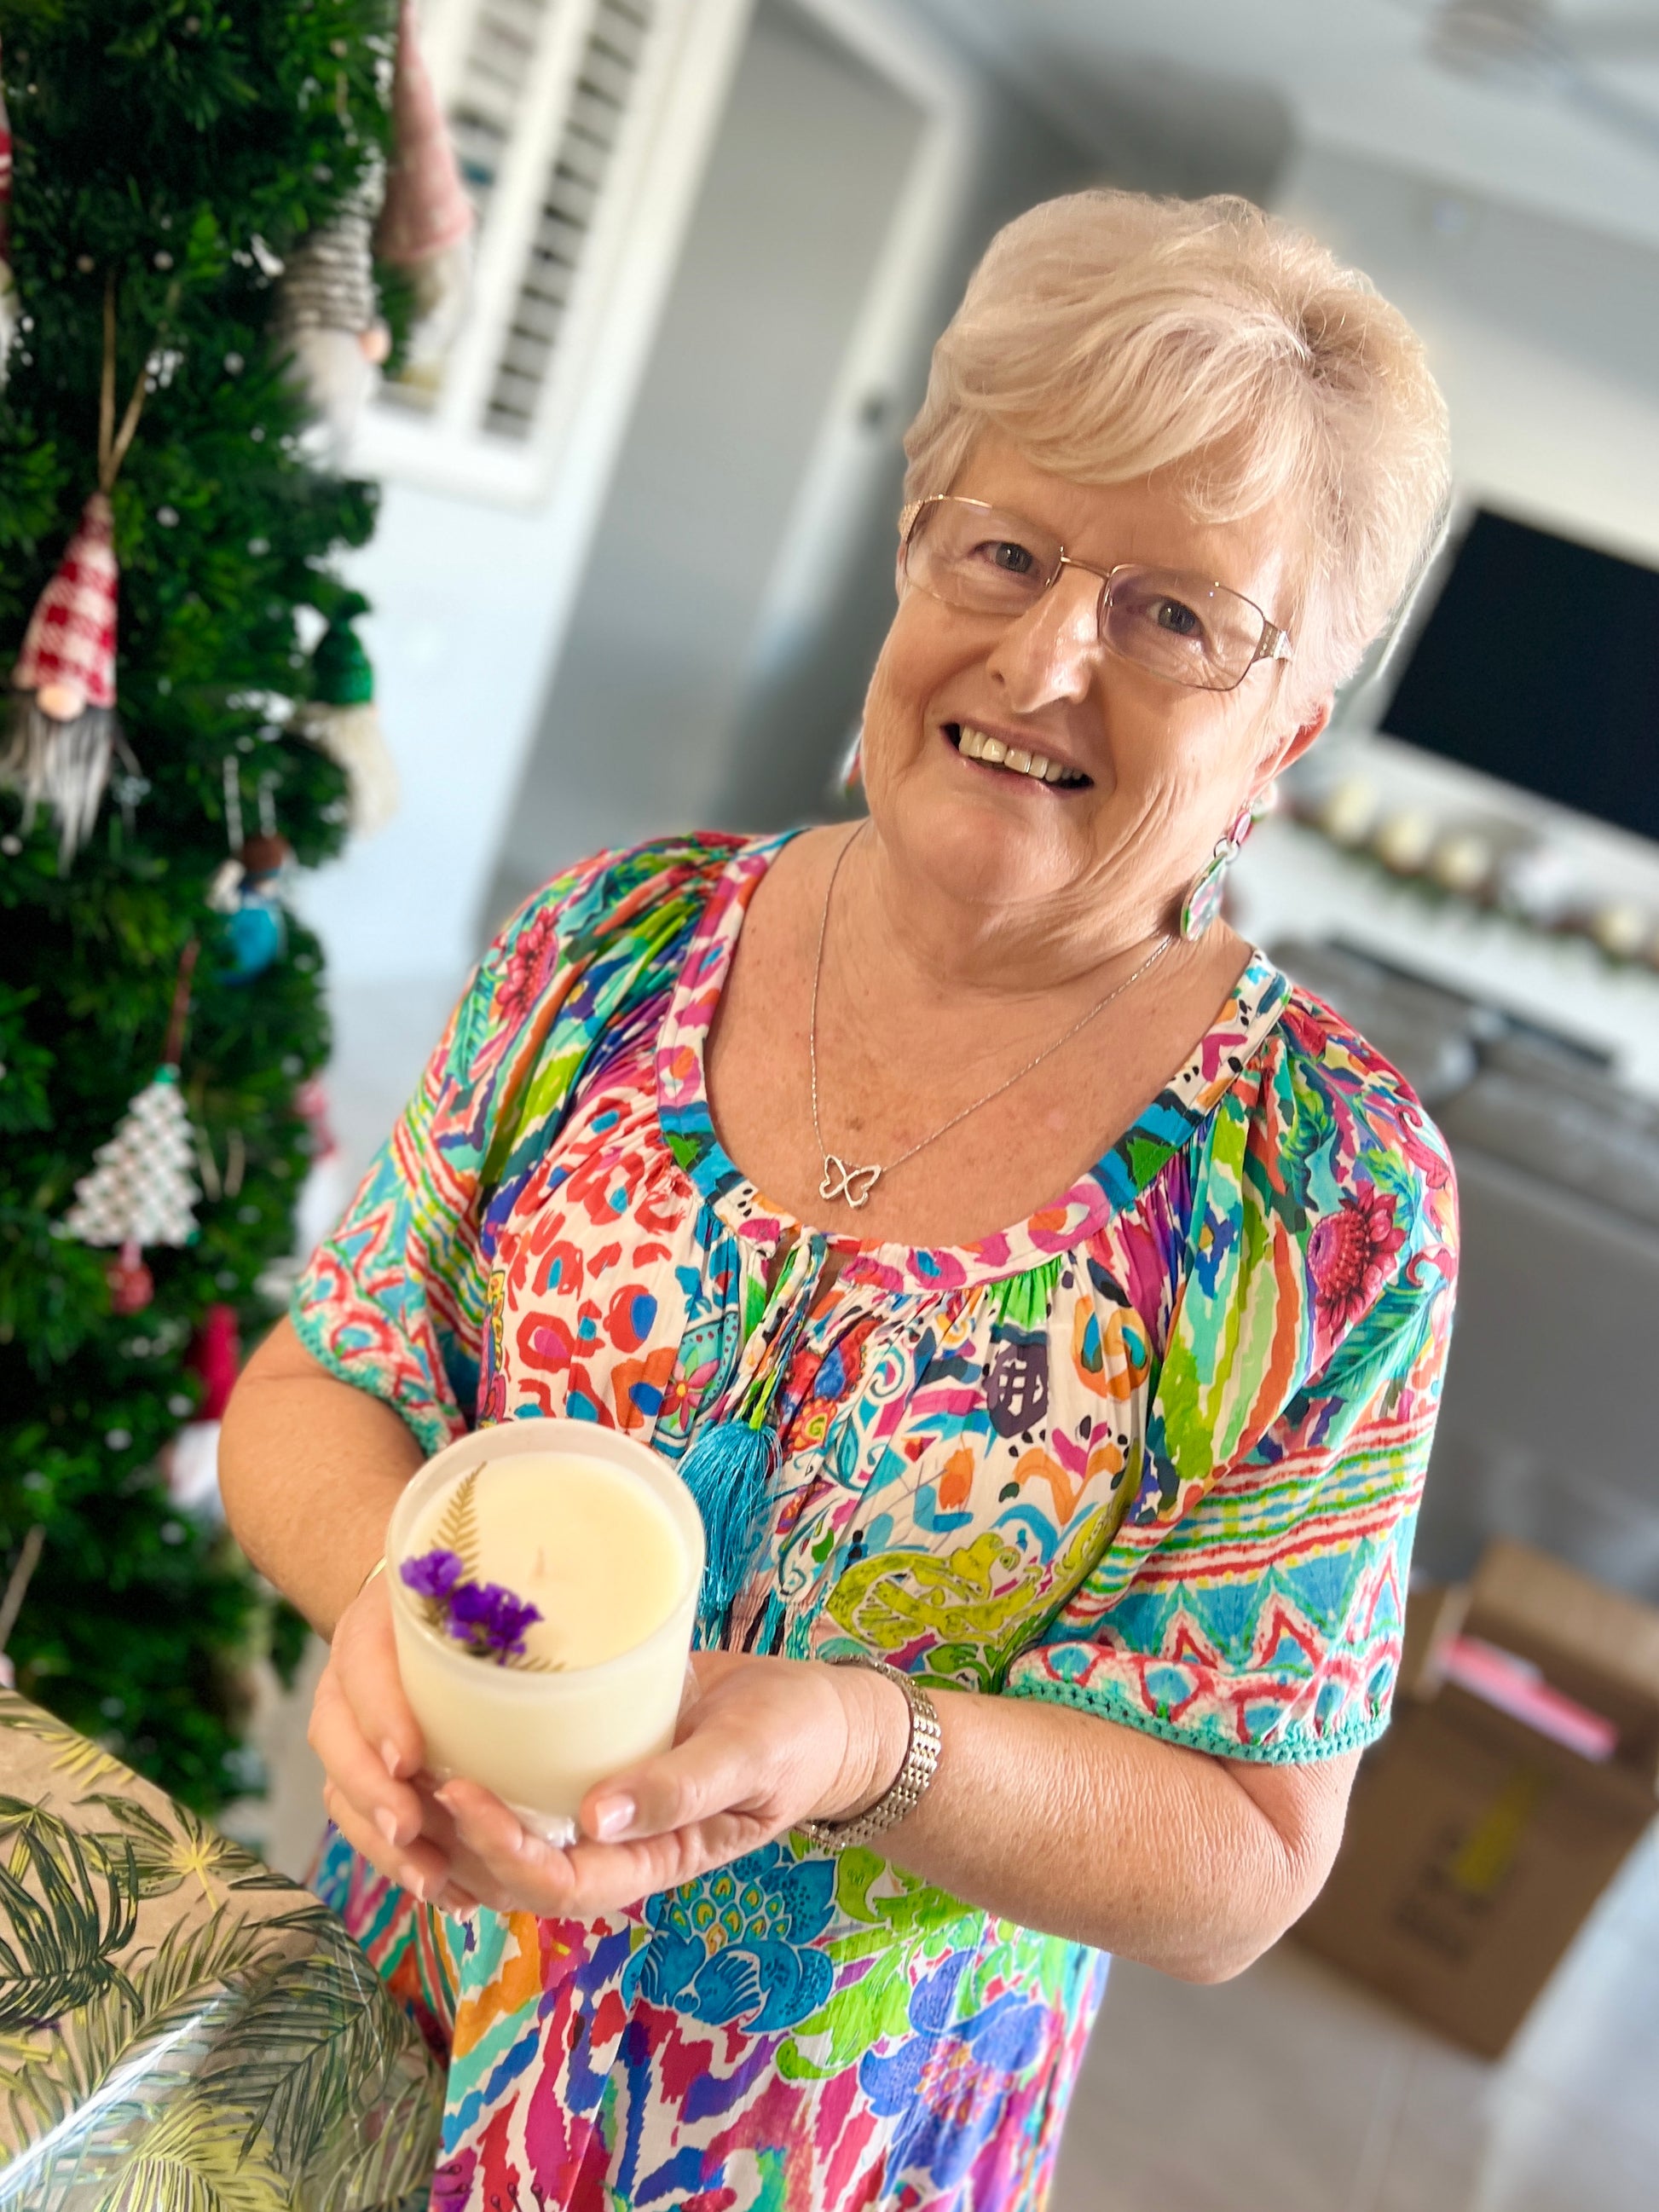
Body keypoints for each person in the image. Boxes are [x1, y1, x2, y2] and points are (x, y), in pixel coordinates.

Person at [221, 188, 1459, 2210]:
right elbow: (316, 1385)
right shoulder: (610, 942)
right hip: (376, 2055)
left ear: (1286, 730)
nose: (1045, 657)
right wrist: (395, 1593)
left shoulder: (1320, 1188)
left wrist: (866, 1741)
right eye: (1008, 552)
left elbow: (1243, 1850)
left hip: (835, 2153)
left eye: (1174, 616)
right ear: (914, 550)